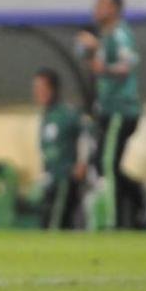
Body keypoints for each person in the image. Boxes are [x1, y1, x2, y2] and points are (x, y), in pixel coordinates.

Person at [75, 0, 146, 229]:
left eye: (102, 3)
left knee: (106, 163)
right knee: (103, 163)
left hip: (121, 110)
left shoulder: (119, 34)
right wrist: (89, 52)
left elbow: (126, 66)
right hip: (108, 109)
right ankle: (140, 197)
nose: (96, 8)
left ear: (115, 8)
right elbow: (97, 65)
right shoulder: (105, 37)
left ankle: (112, 222)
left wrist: (103, 65)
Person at [32, 68, 89, 230]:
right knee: (49, 221)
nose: (38, 92)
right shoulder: (46, 115)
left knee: (56, 223)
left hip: (65, 176)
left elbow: (87, 135)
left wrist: (82, 162)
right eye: (36, 88)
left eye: (42, 88)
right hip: (51, 177)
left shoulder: (67, 114)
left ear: (53, 89)